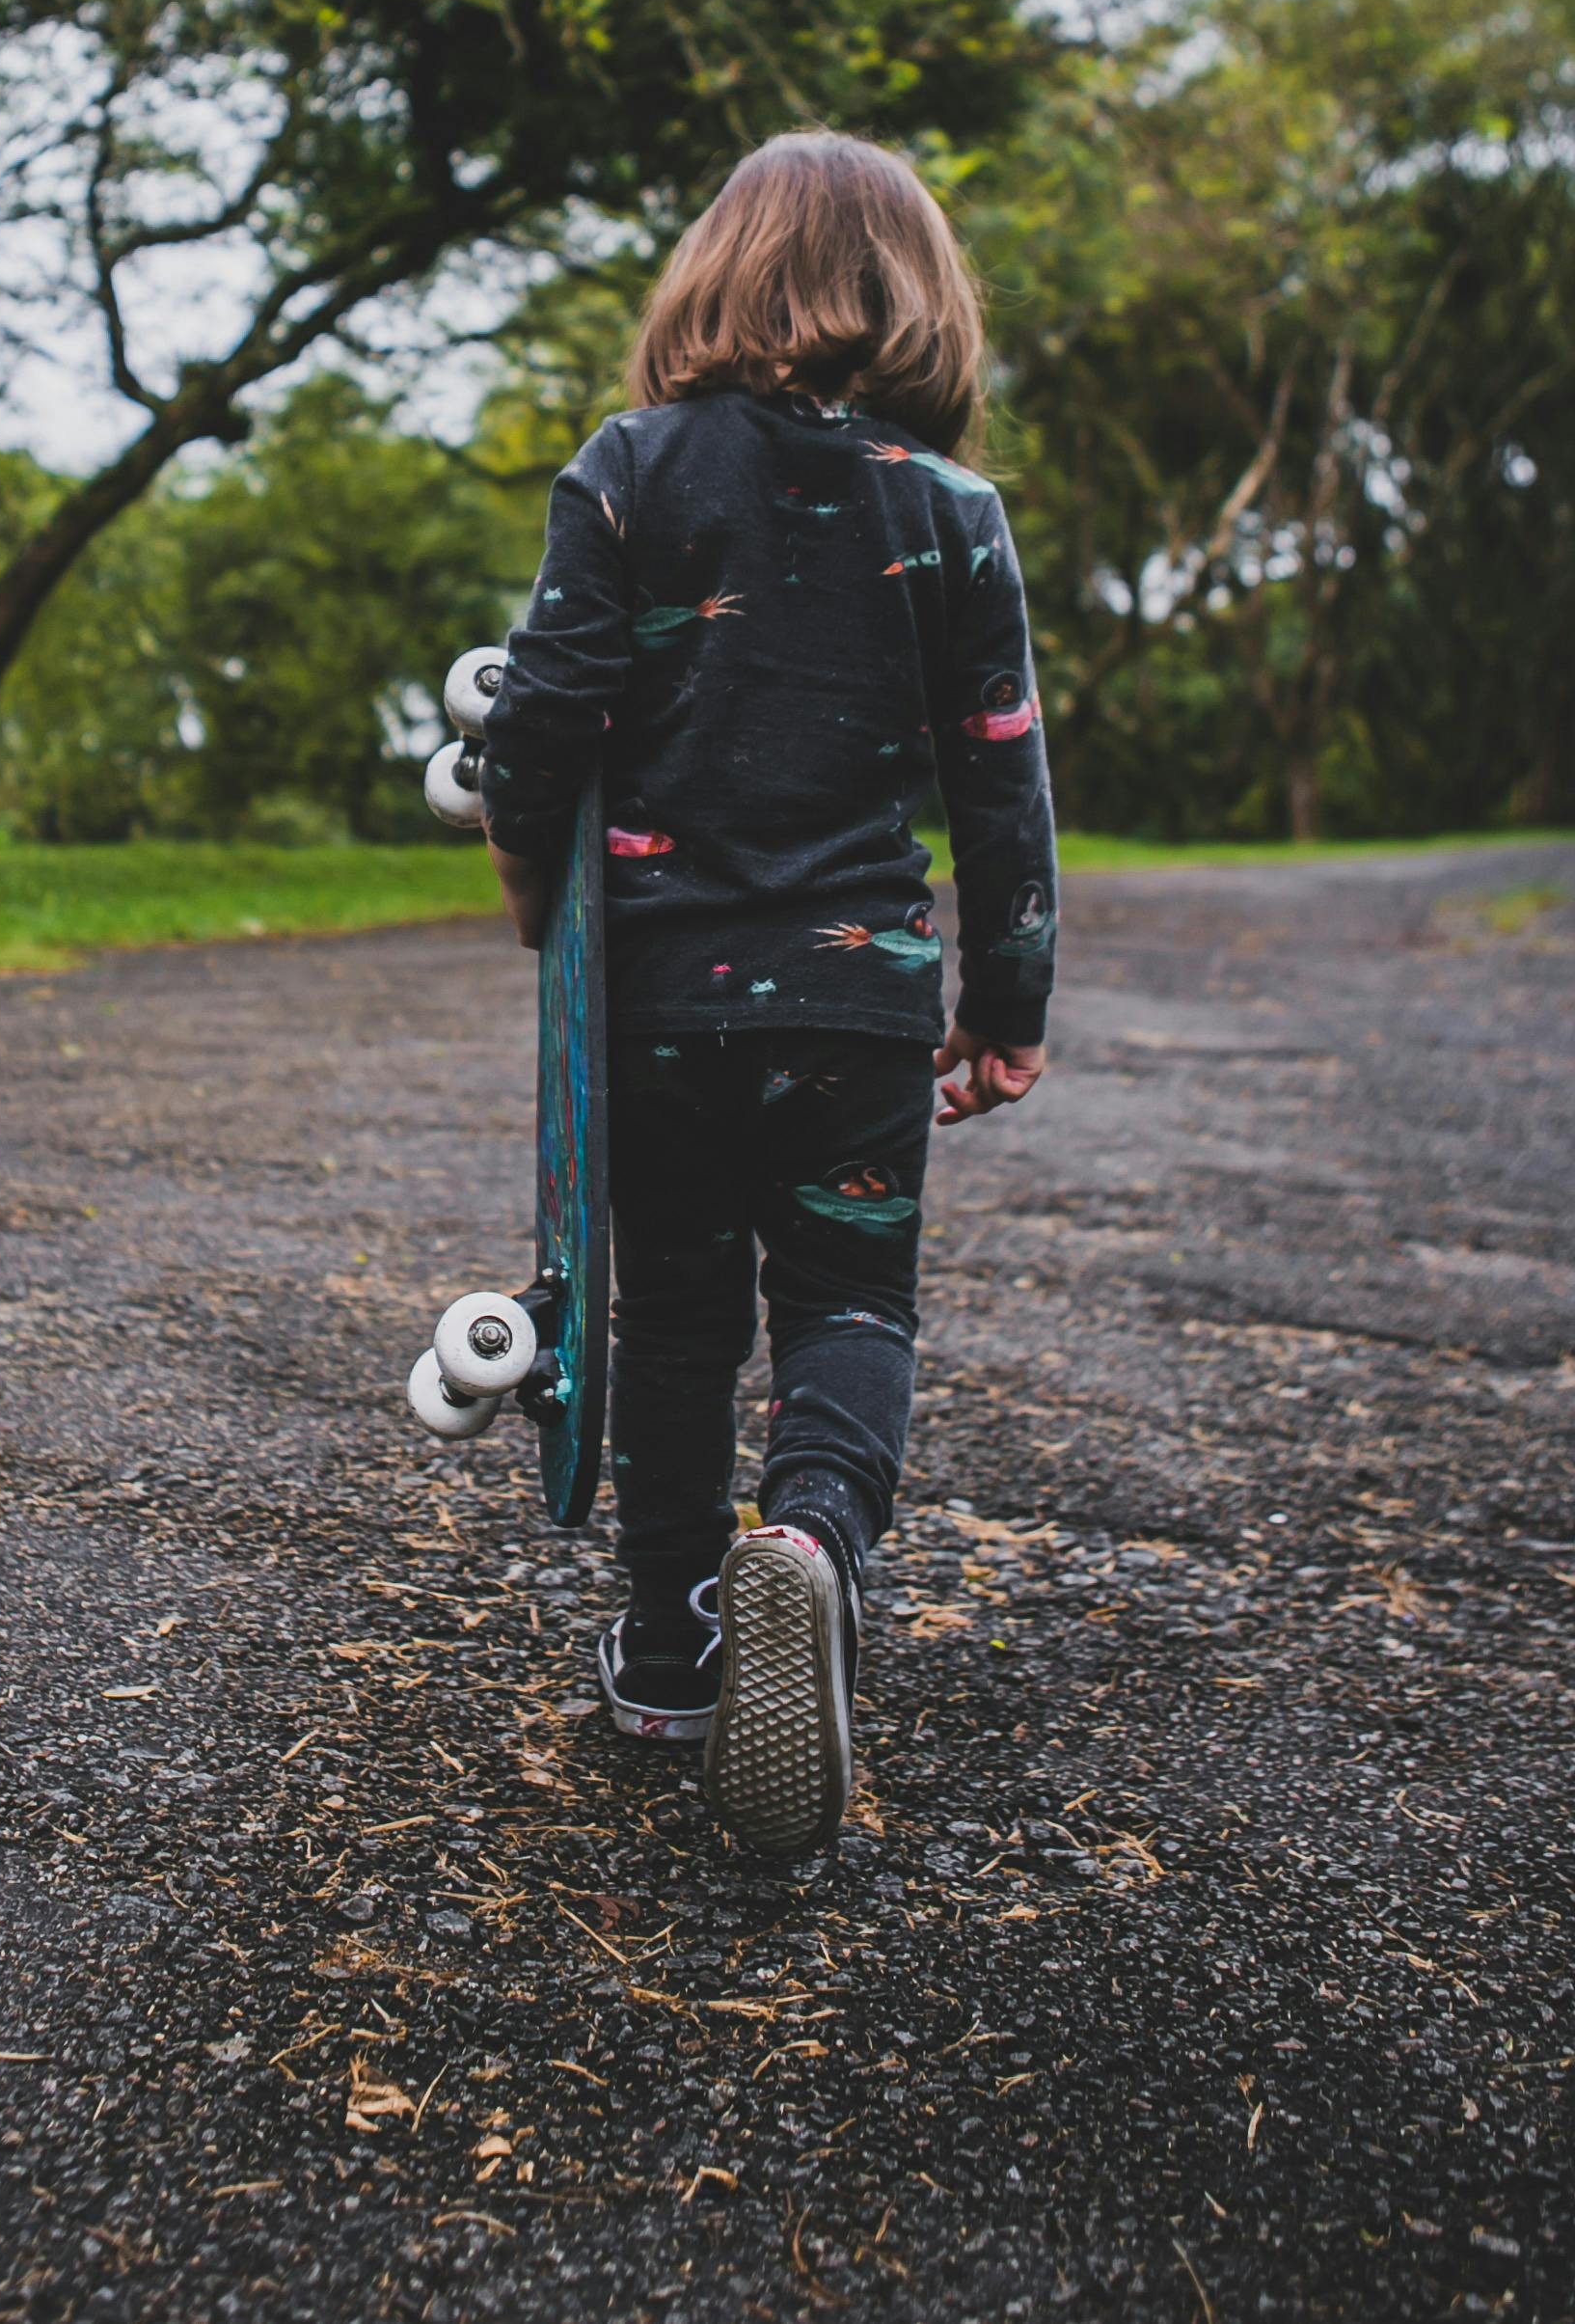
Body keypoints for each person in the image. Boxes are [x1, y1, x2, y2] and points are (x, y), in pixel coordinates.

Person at [475, 128, 1053, 1857]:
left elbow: (541, 731)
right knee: (850, 1310)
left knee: (675, 1318)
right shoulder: (951, 511)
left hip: (652, 1006)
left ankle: (667, 1652)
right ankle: (808, 1541)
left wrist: (533, 900)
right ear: (919, 303)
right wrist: (1006, 994)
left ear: (715, 279)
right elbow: (998, 777)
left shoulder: (631, 469)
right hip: (860, 1004)